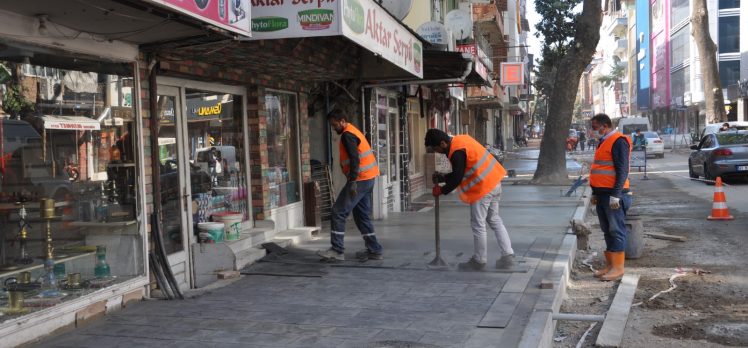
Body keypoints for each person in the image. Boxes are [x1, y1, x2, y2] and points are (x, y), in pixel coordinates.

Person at [425, 129, 515, 270]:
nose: (438, 153)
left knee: (478, 224)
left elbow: (457, 177)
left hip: (483, 189)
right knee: (494, 220)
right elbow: (460, 171)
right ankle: (508, 256)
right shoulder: (462, 140)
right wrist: (443, 178)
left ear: (442, 143)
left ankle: (479, 261)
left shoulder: (456, 151)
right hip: (495, 182)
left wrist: (442, 190)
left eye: (436, 149)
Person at [317, 109, 383, 262]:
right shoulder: (353, 131)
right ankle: (374, 250)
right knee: (361, 216)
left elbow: (355, 159)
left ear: (342, 121)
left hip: (359, 180)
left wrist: (352, 181)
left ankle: (337, 250)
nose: (333, 128)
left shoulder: (348, 135)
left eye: (334, 125)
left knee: (338, 211)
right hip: (368, 179)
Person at [589, 114, 632, 282]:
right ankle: (610, 265)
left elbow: (623, 170)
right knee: (607, 230)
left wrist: (616, 194)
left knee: (616, 230)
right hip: (602, 194)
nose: (593, 130)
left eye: (595, 127)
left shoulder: (618, 141)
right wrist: (595, 193)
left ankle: (618, 268)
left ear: (605, 126)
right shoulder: (604, 141)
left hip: (614, 195)